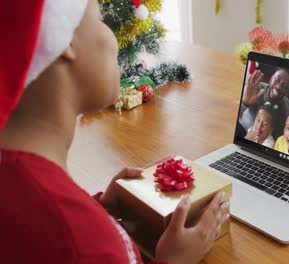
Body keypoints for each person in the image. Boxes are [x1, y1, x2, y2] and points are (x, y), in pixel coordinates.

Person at [0, 1, 228, 263]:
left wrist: (99, 208)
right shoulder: (92, 244)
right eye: (99, 19)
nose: (115, 37)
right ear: (64, 41)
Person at [238, 66, 289, 139]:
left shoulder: (287, 107)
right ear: (270, 79)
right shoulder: (255, 88)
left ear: (287, 92)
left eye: (285, 86)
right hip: (242, 131)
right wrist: (244, 103)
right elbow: (233, 116)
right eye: (277, 80)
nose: (279, 87)